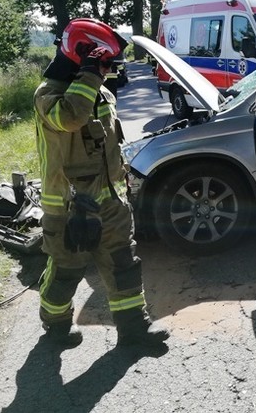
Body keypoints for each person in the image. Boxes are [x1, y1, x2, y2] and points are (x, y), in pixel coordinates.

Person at [33, 18, 169, 348]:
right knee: (67, 270)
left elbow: (108, 145)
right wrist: (90, 74)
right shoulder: (48, 96)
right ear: (84, 56)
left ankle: (135, 330)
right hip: (68, 208)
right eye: (105, 63)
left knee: (123, 263)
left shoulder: (101, 92)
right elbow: (71, 117)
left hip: (109, 203)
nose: (109, 71)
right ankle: (55, 324)